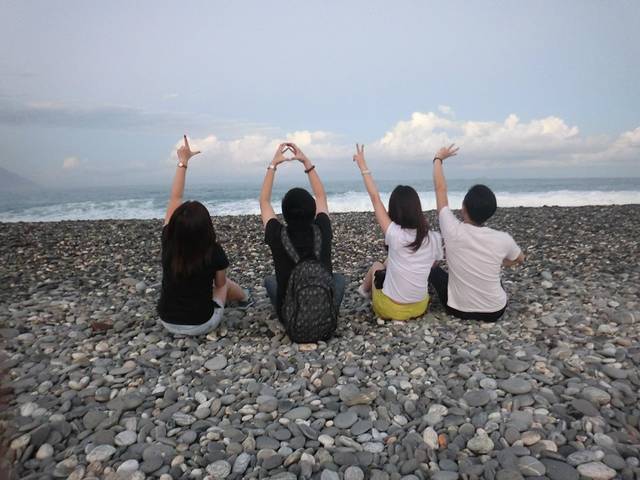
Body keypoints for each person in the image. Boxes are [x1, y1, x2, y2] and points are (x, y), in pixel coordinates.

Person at [157, 135, 250, 335]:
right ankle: (245, 299)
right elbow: (220, 285)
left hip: (167, 320)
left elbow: (175, 197)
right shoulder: (213, 251)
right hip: (201, 324)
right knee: (224, 285)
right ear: (206, 227)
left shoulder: (168, 239)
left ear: (175, 224)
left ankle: (244, 298)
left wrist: (183, 162)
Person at [259, 143, 345, 342]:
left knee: (270, 281)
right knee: (339, 280)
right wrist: (306, 163)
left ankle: (291, 316)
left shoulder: (277, 234)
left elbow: (264, 202)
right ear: (313, 209)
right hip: (326, 317)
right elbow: (321, 195)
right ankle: (323, 311)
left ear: (284, 213)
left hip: (291, 319)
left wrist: (273, 165)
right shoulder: (322, 228)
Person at [430, 144, 524, 322]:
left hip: (458, 310)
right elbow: (520, 259)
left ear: (463, 207)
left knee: (432, 269)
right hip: (494, 311)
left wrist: (438, 159)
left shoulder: (451, 228)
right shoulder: (503, 239)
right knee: (493, 278)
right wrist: (498, 262)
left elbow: (440, 189)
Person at [353, 144, 444, 321]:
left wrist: (362, 165)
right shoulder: (433, 238)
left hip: (390, 309)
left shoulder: (394, 233)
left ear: (394, 210)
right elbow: (433, 264)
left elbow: (375, 198)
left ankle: (363, 291)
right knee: (390, 261)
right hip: (419, 307)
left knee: (377, 266)